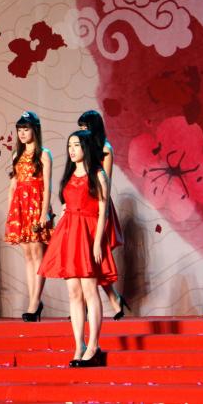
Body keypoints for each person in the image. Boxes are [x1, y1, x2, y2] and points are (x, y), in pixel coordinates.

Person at [39, 130, 116, 367]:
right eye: (69, 145)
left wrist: (97, 242)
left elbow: (104, 210)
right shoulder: (69, 174)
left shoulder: (98, 174)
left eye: (76, 145)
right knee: (74, 292)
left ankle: (93, 345)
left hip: (88, 233)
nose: (71, 150)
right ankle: (79, 345)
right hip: (69, 233)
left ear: (86, 147)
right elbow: (68, 202)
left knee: (90, 290)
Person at [77, 110, 129, 319]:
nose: (82, 131)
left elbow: (104, 183)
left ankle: (107, 300)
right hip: (81, 207)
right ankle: (110, 300)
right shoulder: (82, 148)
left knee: (96, 258)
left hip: (98, 206)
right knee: (84, 258)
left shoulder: (105, 149)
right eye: (80, 128)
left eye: (85, 127)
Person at [6, 111, 53, 322]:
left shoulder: (44, 154)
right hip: (20, 207)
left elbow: (48, 186)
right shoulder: (16, 155)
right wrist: (11, 212)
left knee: (38, 253)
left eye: (26, 129)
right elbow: (13, 185)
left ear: (35, 130)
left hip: (36, 205)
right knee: (28, 255)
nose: (22, 133)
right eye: (20, 130)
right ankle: (33, 300)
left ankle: (35, 301)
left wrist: (44, 213)